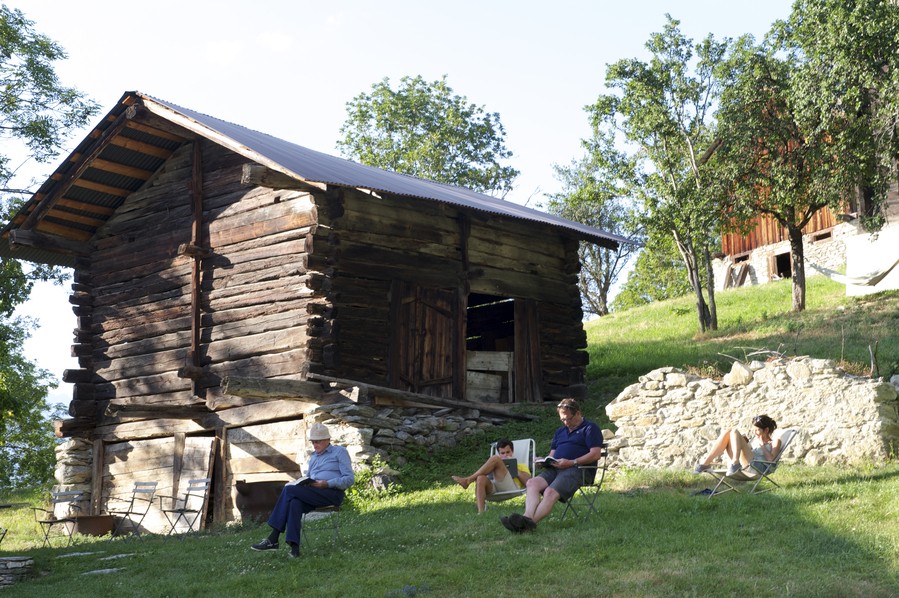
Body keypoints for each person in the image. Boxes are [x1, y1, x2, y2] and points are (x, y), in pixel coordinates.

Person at [250, 422, 355, 558]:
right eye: (313, 442)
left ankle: (273, 538)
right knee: (294, 502)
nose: (315, 445)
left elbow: (349, 479)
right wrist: (304, 483)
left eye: (318, 442)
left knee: (289, 491)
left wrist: (327, 484)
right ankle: (294, 550)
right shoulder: (314, 458)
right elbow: (309, 477)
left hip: (332, 493)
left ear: (328, 440)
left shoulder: (339, 452)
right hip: (314, 493)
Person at [501, 398, 603, 533]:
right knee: (532, 483)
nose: (566, 423)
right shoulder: (560, 432)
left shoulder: (590, 428)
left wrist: (572, 462)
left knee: (550, 492)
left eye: (569, 419)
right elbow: (552, 455)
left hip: (578, 469)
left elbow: (595, 454)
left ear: (577, 413)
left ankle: (525, 526)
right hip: (556, 468)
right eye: (563, 420)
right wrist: (543, 461)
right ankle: (526, 518)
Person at [451, 438, 531, 513]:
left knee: (495, 459)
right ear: (499, 453)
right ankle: (481, 512)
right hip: (494, 486)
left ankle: (469, 480)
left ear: (512, 452)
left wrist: (514, 468)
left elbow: (529, 482)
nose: (505, 455)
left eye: (508, 452)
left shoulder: (521, 465)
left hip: (511, 487)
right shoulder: (495, 464)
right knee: (480, 478)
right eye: (502, 453)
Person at [693, 414, 782, 476]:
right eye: (753, 430)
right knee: (728, 432)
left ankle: (735, 462)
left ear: (766, 430)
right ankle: (706, 463)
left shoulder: (775, 441)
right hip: (746, 464)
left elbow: (771, 460)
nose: (755, 433)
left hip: (757, 469)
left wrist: (762, 444)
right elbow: (748, 452)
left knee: (735, 431)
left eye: (757, 430)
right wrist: (744, 442)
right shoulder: (754, 439)